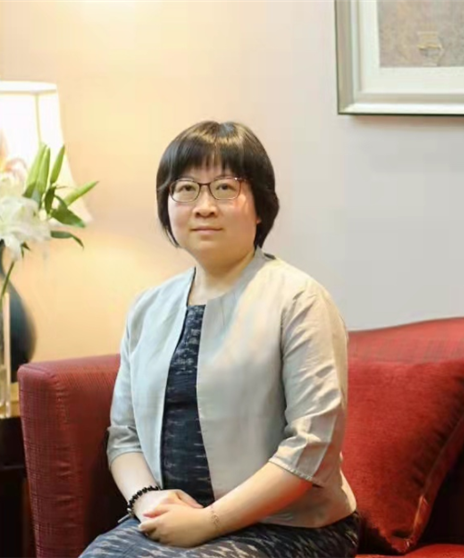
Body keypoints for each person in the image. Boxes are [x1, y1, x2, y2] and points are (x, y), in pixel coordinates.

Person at [80, 121, 359, 558]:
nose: (205, 207)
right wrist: (148, 500)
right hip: (169, 519)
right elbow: (125, 436)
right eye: (186, 189)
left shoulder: (300, 300)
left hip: (288, 525)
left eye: (225, 188)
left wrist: (207, 522)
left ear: (261, 206)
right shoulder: (148, 308)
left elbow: (311, 447)